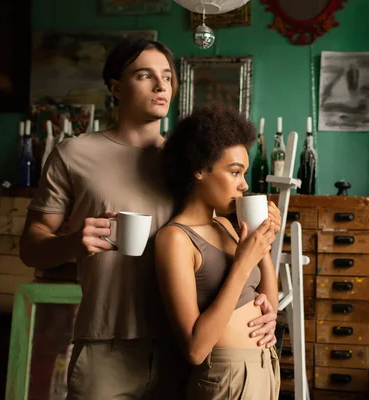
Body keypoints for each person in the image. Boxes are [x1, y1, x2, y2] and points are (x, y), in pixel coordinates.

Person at [19, 37, 280, 399]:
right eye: (145, 75)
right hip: (107, 346)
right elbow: (31, 247)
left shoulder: (193, 161)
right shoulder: (74, 154)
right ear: (115, 88)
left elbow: (227, 249)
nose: (161, 86)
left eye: (168, 77)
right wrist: (71, 242)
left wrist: (261, 305)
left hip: (184, 351)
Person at [155, 103, 281, 400]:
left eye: (244, 173)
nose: (244, 184)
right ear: (199, 169)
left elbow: (270, 307)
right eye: (235, 172)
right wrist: (242, 263)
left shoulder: (228, 226)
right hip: (226, 378)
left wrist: (261, 239)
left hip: (266, 367)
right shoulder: (175, 239)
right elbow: (196, 349)